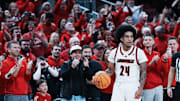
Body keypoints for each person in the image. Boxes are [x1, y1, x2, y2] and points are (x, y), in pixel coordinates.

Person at [108, 24, 147, 101]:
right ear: (121, 38)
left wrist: (140, 88)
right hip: (118, 85)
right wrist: (102, 75)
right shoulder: (114, 52)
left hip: (133, 85)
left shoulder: (139, 52)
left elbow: (144, 72)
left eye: (131, 36)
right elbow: (110, 71)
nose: (130, 39)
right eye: (127, 37)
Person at [142, 35, 163, 101]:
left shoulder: (156, 54)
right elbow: (142, 70)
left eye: (150, 40)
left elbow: (159, 70)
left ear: (153, 42)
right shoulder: (140, 54)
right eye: (146, 40)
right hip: (147, 86)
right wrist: (152, 61)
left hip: (158, 85)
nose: (148, 41)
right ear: (143, 42)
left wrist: (157, 62)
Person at [160, 36, 179, 101]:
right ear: (167, 46)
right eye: (170, 44)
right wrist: (165, 60)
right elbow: (162, 71)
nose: (172, 46)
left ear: (177, 45)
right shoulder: (164, 57)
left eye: (174, 44)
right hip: (167, 88)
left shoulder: (179, 56)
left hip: (177, 87)